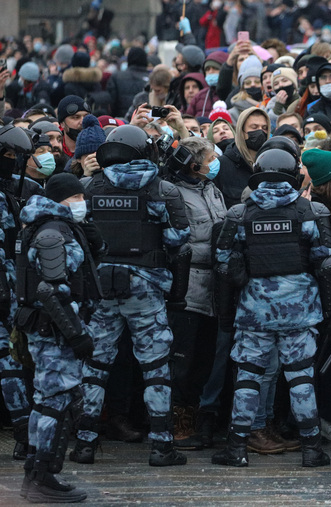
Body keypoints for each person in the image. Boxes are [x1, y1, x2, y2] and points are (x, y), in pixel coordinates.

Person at [69, 125, 191, 467]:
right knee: (155, 367)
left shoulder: (89, 187)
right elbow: (179, 239)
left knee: (95, 365)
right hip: (145, 287)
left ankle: (84, 444)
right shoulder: (162, 189)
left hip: (102, 286)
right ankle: (161, 447)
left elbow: (76, 235)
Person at [211, 146, 331, 468]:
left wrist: (227, 313)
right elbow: (327, 263)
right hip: (299, 308)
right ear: (293, 175)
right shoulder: (310, 211)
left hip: (255, 309)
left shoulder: (240, 213)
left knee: (248, 377)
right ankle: (312, 450)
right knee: (300, 378)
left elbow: (224, 265)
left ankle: (237, 448)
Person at [16, 173, 103, 503]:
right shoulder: (53, 232)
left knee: (47, 400)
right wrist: (76, 335)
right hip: (54, 332)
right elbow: (50, 291)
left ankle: (36, 474)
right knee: (56, 402)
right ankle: (43, 477)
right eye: (78, 197)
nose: (83, 202)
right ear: (63, 199)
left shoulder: (57, 227)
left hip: (50, 331)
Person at [165, 136, 228, 449]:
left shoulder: (212, 189)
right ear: (193, 164)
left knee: (205, 358)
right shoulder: (174, 193)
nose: (215, 162)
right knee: (182, 359)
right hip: (188, 286)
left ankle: (198, 419)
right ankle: (176, 422)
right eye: (210, 157)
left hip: (214, 288)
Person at [0, 126, 34, 460]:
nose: (14, 164)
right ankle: (25, 431)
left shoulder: (12, 193)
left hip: (10, 289)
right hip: (6, 290)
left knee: (11, 362)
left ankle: (25, 432)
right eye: (9, 157)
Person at [216, 106, 270, 208]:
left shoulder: (273, 164)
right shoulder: (222, 165)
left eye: (264, 128)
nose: (261, 132)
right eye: (254, 127)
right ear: (241, 131)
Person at [106, 47, 151, 118]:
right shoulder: (150, 78)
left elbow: (111, 102)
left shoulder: (116, 76)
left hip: (121, 120)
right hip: (145, 120)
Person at [57, 96, 92, 161]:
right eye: (76, 117)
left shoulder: (99, 149)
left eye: (86, 116)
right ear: (62, 124)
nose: (83, 122)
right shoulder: (55, 151)